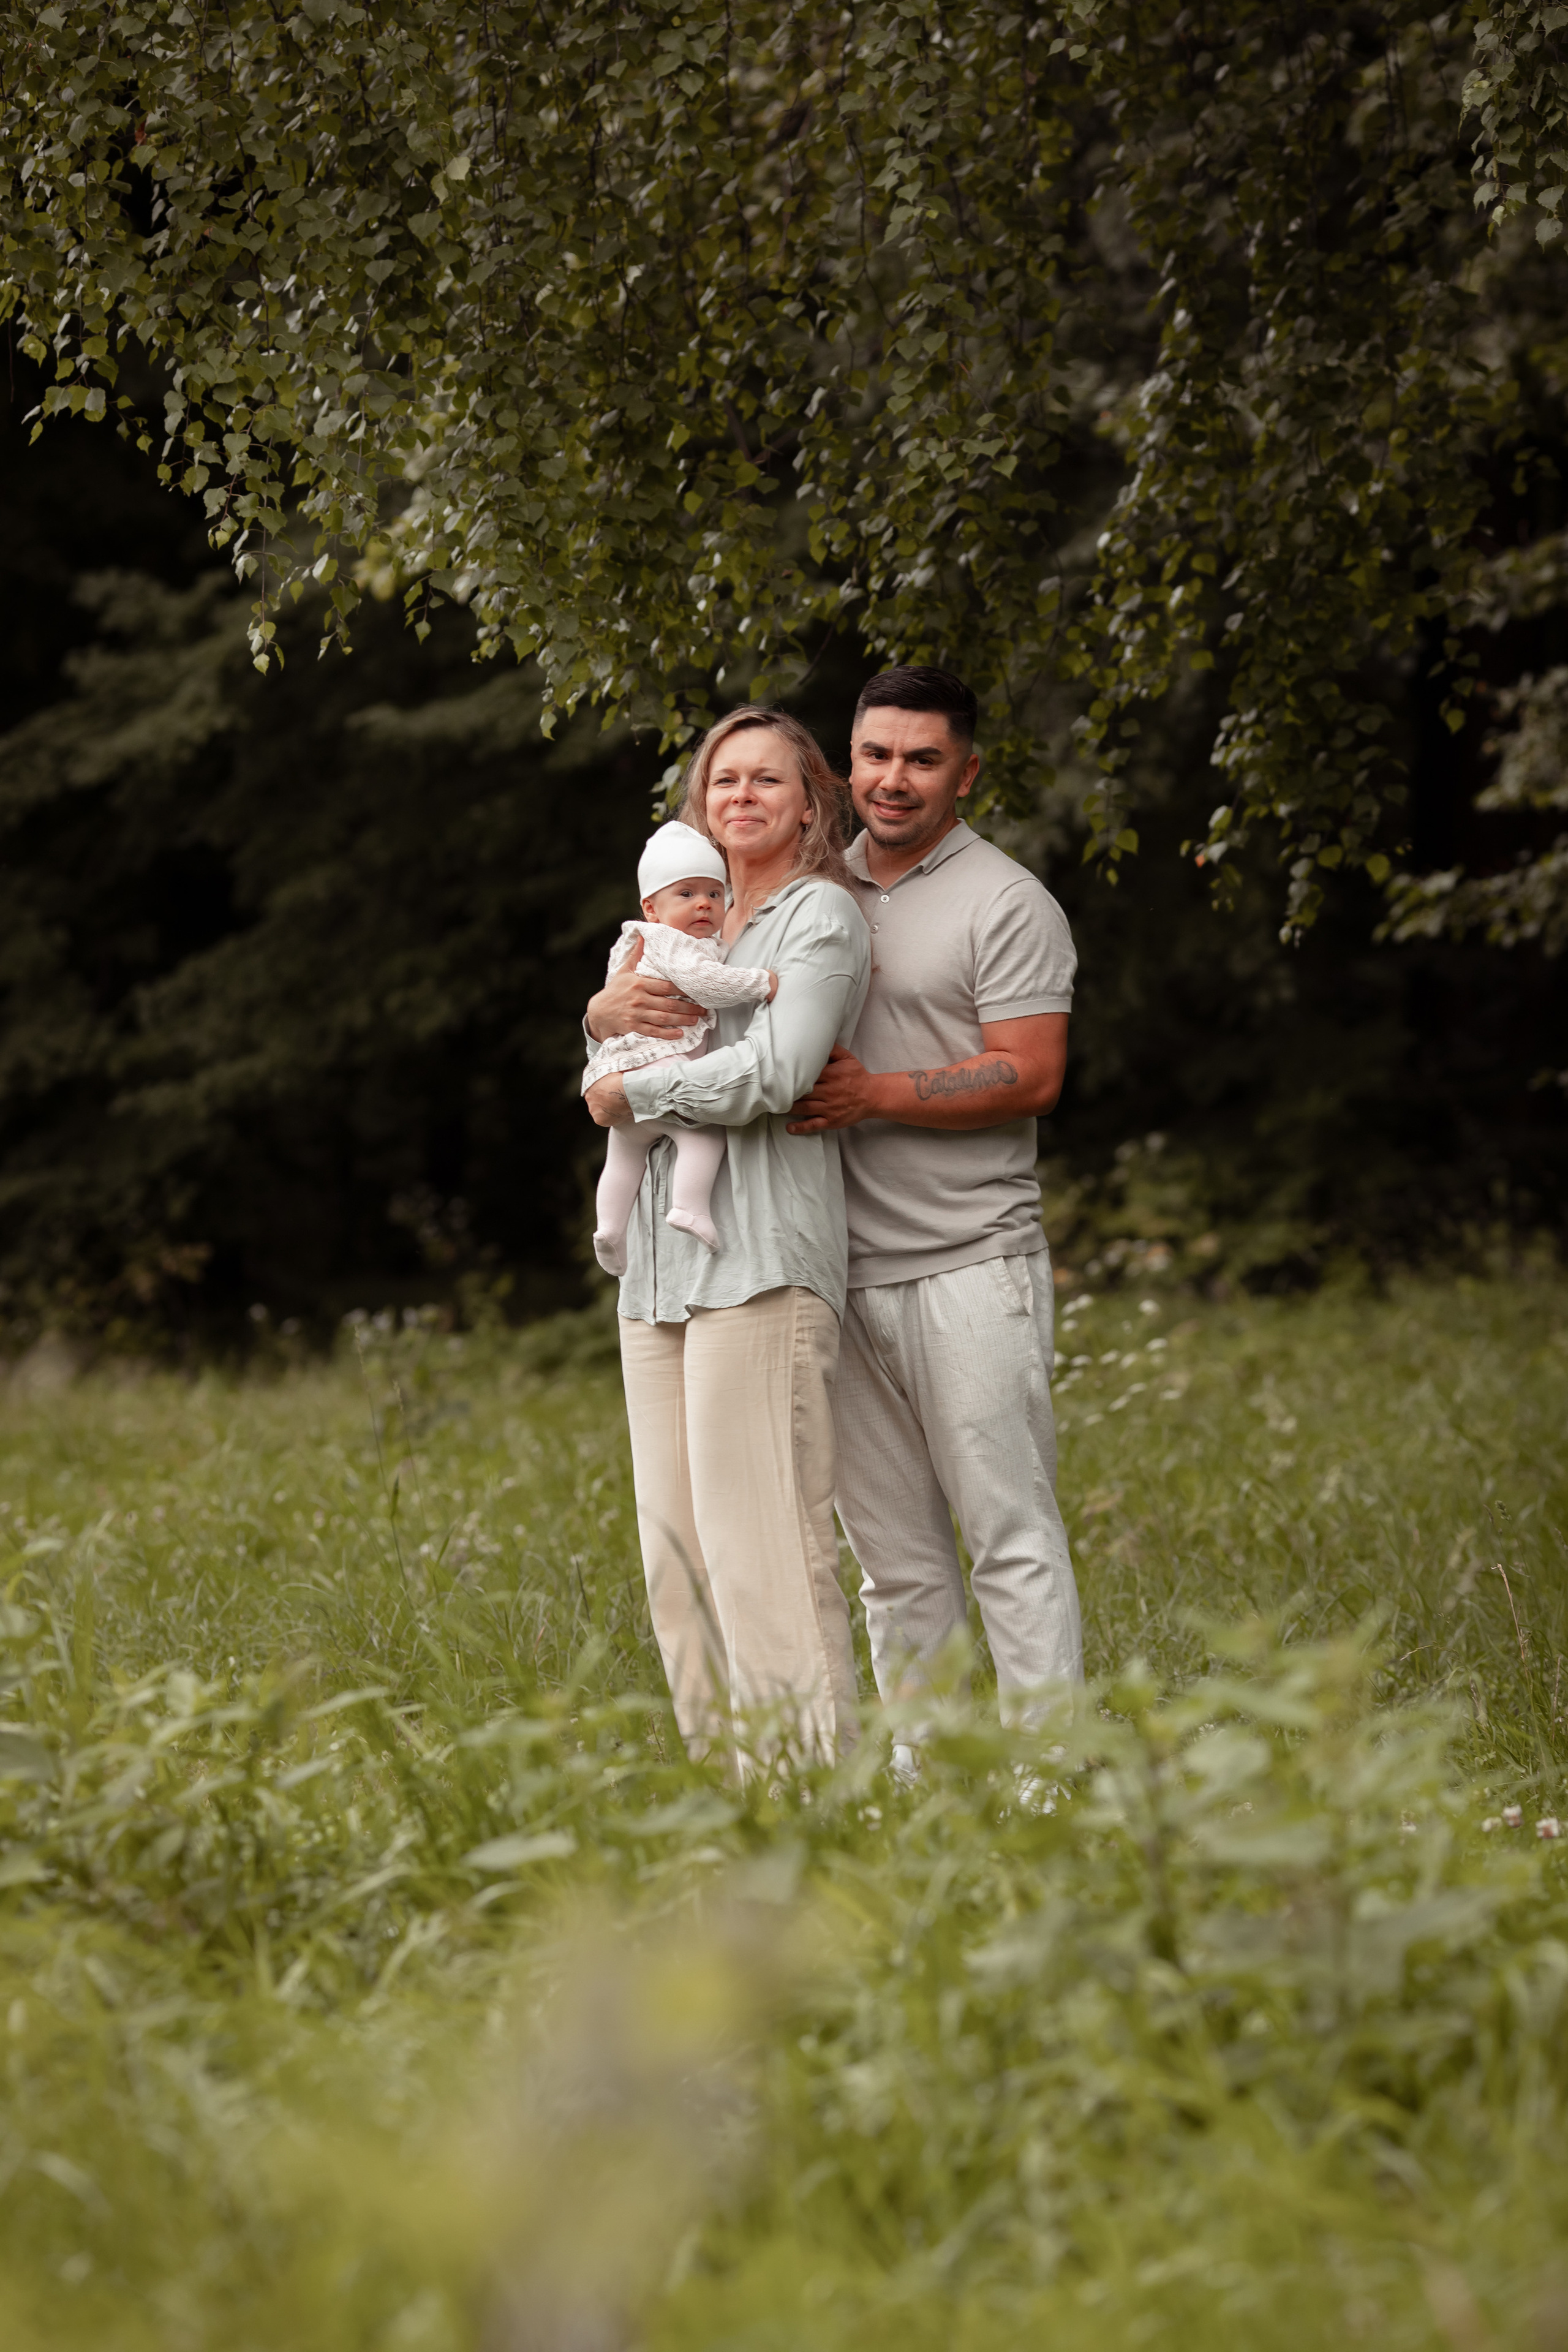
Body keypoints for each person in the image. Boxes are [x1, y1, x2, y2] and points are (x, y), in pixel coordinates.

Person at [786, 665, 1084, 1723]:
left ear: (968, 772)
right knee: (895, 1563)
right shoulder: (808, 891)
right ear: (846, 762)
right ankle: (933, 1781)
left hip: (969, 1262)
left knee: (1010, 1538)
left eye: (922, 759)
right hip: (831, 1270)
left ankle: (1050, 1784)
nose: (894, 779)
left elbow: (1032, 1074)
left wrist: (875, 1094)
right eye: (875, 755)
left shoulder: (1006, 901)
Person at [582, 707, 871, 1765]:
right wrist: (600, 1020)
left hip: (760, 1263)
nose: (741, 795)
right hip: (659, 1276)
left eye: (766, 779)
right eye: (724, 780)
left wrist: (633, 1091)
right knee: (680, 1561)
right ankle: (727, 1796)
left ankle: (814, 1800)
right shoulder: (679, 921)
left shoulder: (819, 917)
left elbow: (781, 1072)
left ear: (811, 804)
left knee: (764, 1551)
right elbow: (614, 1040)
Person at [585, 821, 777, 1276]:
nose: (704, 904)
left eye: (714, 893)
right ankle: (690, 1207)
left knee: (623, 1151)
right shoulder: (675, 943)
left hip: (626, 1070)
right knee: (703, 1133)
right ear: (651, 909)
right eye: (686, 894)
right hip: (662, 1061)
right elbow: (705, 984)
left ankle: (609, 1229)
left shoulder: (635, 943)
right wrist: (760, 982)